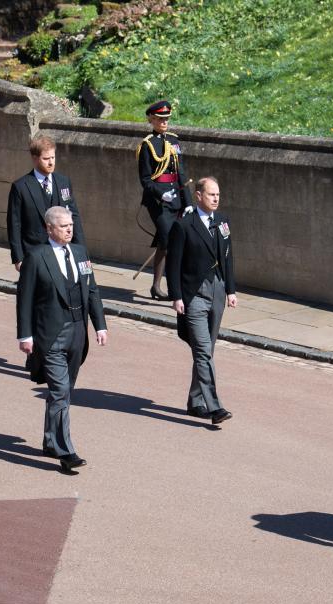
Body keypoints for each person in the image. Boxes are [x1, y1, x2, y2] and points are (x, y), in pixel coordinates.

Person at [17, 207, 108, 472]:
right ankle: (65, 450)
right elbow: (24, 299)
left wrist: (100, 325)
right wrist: (25, 335)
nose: (70, 229)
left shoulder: (80, 252)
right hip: (50, 334)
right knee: (60, 391)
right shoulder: (36, 256)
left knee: (64, 392)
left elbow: (92, 291)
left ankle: (49, 440)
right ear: (49, 228)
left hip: (78, 333)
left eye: (71, 225)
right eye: (63, 226)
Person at [165, 177, 235, 426]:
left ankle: (195, 402)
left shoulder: (223, 221)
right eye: (211, 194)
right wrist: (176, 296)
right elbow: (173, 265)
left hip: (216, 288)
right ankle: (214, 406)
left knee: (207, 351)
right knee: (204, 351)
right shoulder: (184, 226)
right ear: (198, 196)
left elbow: (227, 258)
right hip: (193, 294)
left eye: (218, 194)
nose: (216, 198)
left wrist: (231, 290)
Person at [137, 100, 192, 300]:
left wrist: (189, 204)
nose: (164, 122)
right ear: (151, 119)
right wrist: (161, 194)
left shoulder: (174, 141)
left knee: (165, 241)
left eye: (166, 119)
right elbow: (145, 179)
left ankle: (155, 287)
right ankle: (174, 288)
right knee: (170, 240)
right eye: (160, 119)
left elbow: (181, 174)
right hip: (157, 200)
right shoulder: (147, 145)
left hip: (176, 196)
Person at [7, 134, 85, 271]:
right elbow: (14, 224)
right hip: (35, 253)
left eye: (53, 158)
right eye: (46, 159)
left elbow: (74, 217)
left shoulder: (63, 182)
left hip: (63, 251)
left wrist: (81, 250)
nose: (51, 163)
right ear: (35, 159)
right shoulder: (20, 187)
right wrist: (18, 257)